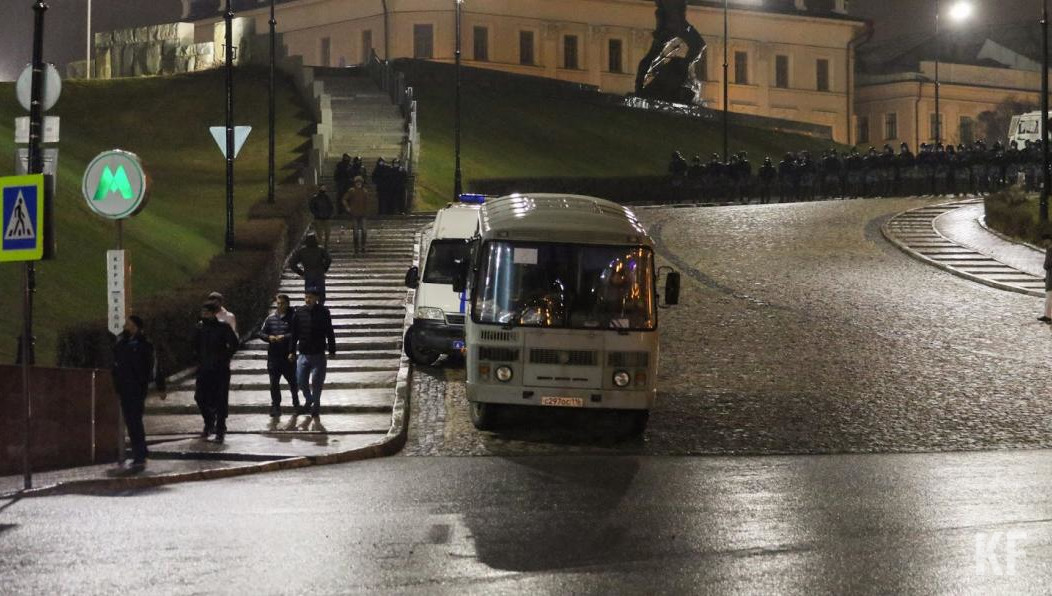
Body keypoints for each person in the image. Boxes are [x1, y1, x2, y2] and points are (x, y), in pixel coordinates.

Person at [112, 315, 166, 467]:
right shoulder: (122, 343)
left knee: (135, 421)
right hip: (124, 388)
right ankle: (140, 452)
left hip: (137, 388)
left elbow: (154, 366)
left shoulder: (144, 344)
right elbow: (116, 364)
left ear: (135, 326)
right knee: (131, 421)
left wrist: (160, 386)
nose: (125, 326)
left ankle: (140, 454)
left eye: (128, 324)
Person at [193, 302, 239, 442]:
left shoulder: (223, 327)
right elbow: (193, 345)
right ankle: (209, 421)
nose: (204, 315)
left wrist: (224, 357)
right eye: (203, 312)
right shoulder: (200, 328)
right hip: (204, 368)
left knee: (220, 399)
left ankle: (220, 428)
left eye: (207, 313)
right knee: (199, 397)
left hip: (220, 369)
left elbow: (234, 344)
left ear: (214, 314)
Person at [289, 288, 337, 418]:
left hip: (318, 355)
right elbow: (294, 334)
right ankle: (309, 399)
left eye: (310, 297)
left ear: (316, 298)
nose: (308, 300)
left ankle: (315, 406)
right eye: (306, 297)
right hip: (303, 354)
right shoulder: (299, 312)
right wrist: (291, 351)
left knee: (317, 382)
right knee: (300, 381)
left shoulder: (324, 312)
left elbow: (329, 332)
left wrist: (332, 349)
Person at [256, 294, 302, 416]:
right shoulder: (270, 318)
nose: (280, 305)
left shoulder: (293, 318)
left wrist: (284, 337)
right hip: (273, 357)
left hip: (288, 356)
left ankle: (296, 403)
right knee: (273, 383)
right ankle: (276, 406)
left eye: (282, 303)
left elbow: (296, 333)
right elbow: (260, 333)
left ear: (287, 304)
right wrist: (268, 337)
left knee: (293, 382)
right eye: (278, 303)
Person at [288, 232, 332, 303]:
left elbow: (292, 263)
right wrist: (324, 269)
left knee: (309, 293)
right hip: (319, 274)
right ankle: (320, 308)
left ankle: (310, 308)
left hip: (308, 274)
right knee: (321, 293)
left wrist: (300, 272)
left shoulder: (302, 251)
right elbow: (329, 259)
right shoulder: (320, 250)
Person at [342, 176, 371, 254]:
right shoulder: (352, 191)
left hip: (363, 214)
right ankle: (356, 247)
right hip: (354, 214)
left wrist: (366, 211)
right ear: (355, 183)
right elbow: (344, 199)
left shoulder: (365, 191)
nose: (358, 184)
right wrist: (347, 207)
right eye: (357, 182)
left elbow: (367, 202)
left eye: (360, 182)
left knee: (364, 231)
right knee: (355, 232)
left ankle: (363, 246)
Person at [1042, 236, 1052, 324]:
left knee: (1049, 298)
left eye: (1044, 240)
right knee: (1048, 298)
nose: (1043, 242)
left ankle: (1048, 316)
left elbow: (1047, 265)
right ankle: (1047, 316)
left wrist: (1045, 266)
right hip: (1049, 277)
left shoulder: (1050, 250)